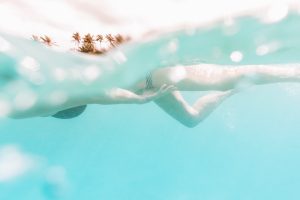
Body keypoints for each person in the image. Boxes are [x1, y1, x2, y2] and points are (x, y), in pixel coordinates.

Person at [52, 63, 300, 127]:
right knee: (190, 119)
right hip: (154, 84)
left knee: (233, 75)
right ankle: (228, 90)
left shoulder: (85, 86)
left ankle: (293, 73)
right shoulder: (89, 89)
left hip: (153, 81)